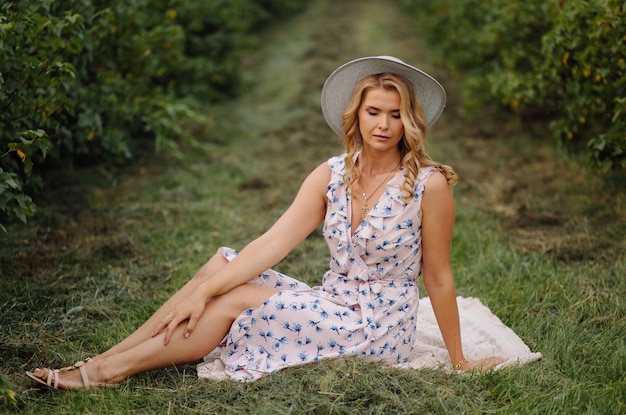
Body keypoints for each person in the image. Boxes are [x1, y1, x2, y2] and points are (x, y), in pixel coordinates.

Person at [26, 56, 504, 390]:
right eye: (373, 111)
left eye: (395, 115)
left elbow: (438, 276)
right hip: (333, 301)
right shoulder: (332, 174)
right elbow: (274, 241)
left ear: (409, 122)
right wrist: (200, 290)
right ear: (355, 116)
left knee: (231, 295)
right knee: (221, 266)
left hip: (379, 324)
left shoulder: (428, 185)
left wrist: (457, 359)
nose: (383, 124)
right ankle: (105, 358)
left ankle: (109, 373)